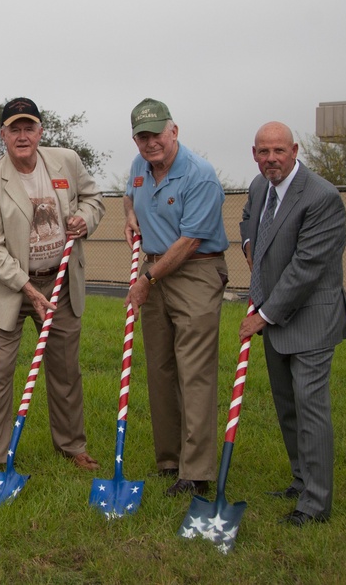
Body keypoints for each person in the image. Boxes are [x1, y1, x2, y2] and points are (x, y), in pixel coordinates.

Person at [0, 97, 105, 476]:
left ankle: (72, 446)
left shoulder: (66, 162)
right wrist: (26, 288)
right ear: (2, 135)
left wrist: (85, 219)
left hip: (60, 284)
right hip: (12, 289)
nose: (22, 136)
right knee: (0, 373)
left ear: (40, 131)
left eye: (28, 128)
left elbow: (94, 199)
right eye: (14, 129)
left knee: (65, 371)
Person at [239, 121, 346, 526]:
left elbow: (307, 267)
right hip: (274, 317)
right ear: (255, 154)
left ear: (295, 150)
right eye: (263, 151)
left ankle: (315, 504)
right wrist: (250, 247)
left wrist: (262, 316)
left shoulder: (322, 197)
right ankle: (301, 479)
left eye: (279, 151)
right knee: (288, 407)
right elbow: (248, 221)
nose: (271, 159)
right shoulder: (259, 186)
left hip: (310, 319)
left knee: (310, 408)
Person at [123, 98, 229, 497]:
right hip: (154, 269)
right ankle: (169, 460)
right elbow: (129, 195)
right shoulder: (139, 167)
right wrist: (129, 214)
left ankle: (196, 472)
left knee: (194, 370)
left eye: (157, 134)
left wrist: (146, 279)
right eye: (142, 137)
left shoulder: (200, 175)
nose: (151, 143)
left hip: (194, 270)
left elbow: (190, 241)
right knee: (160, 368)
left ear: (174, 131)